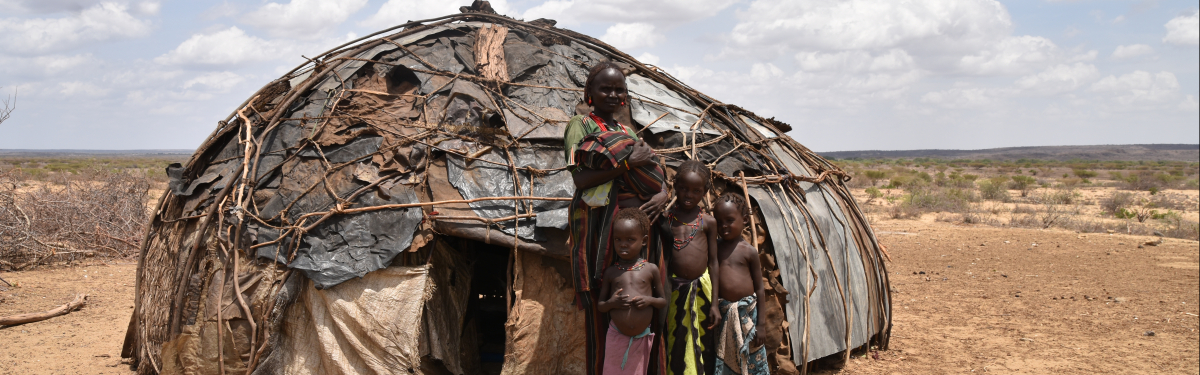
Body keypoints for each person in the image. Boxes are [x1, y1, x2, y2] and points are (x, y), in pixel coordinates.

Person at [566, 61, 670, 375]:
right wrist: (626, 165)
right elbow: (580, 178)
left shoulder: (626, 130)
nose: (613, 94)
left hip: (642, 226)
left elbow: (652, 167)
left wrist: (663, 192)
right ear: (589, 93)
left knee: (649, 289)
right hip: (605, 229)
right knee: (607, 294)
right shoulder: (580, 125)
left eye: (618, 89)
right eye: (605, 88)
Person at [661, 160, 720, 375]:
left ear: (704, 192)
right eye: (684, 188)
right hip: (674, 291)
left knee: (703, 343)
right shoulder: (667, 220)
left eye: (696, 191)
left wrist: (714, 304)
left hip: (702, 293)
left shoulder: (708, 222)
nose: (688, 195)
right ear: (675, 186)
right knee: (676, 342)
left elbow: (713, 262)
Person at [598, 208, 668, 375]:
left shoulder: (650, 270)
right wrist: (612, 303)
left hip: (640, 339)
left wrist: (648, 300)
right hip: (616, 336)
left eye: (630, 239)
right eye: (618, 239)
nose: (623, 244)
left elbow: (662, 301)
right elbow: (601, 305)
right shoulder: (611, 272)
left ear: (643, 241)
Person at [711, 192, 769, 375]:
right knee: (727, 358)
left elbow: (760, 289)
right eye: (719, 222)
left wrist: (761, 325)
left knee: (752, 358)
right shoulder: (714, 249)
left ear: (744, 220)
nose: (723, 226)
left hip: (748, 315)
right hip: (724, 313)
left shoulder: (749, 251)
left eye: (729, 220)